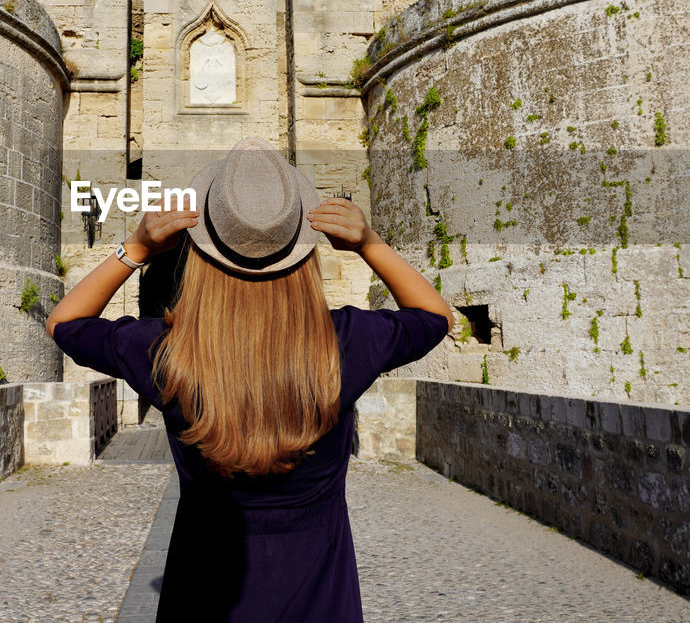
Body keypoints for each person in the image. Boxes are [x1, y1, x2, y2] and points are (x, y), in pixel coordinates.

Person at [45, 137, 453, 622]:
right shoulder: (344, 343)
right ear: (302, 249)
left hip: (203, 597)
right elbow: (433, 315)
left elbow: (65, 324)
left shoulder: (167, 353)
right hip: (319, 600)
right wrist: (370, 243)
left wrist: (136, 247)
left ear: (200, 250)